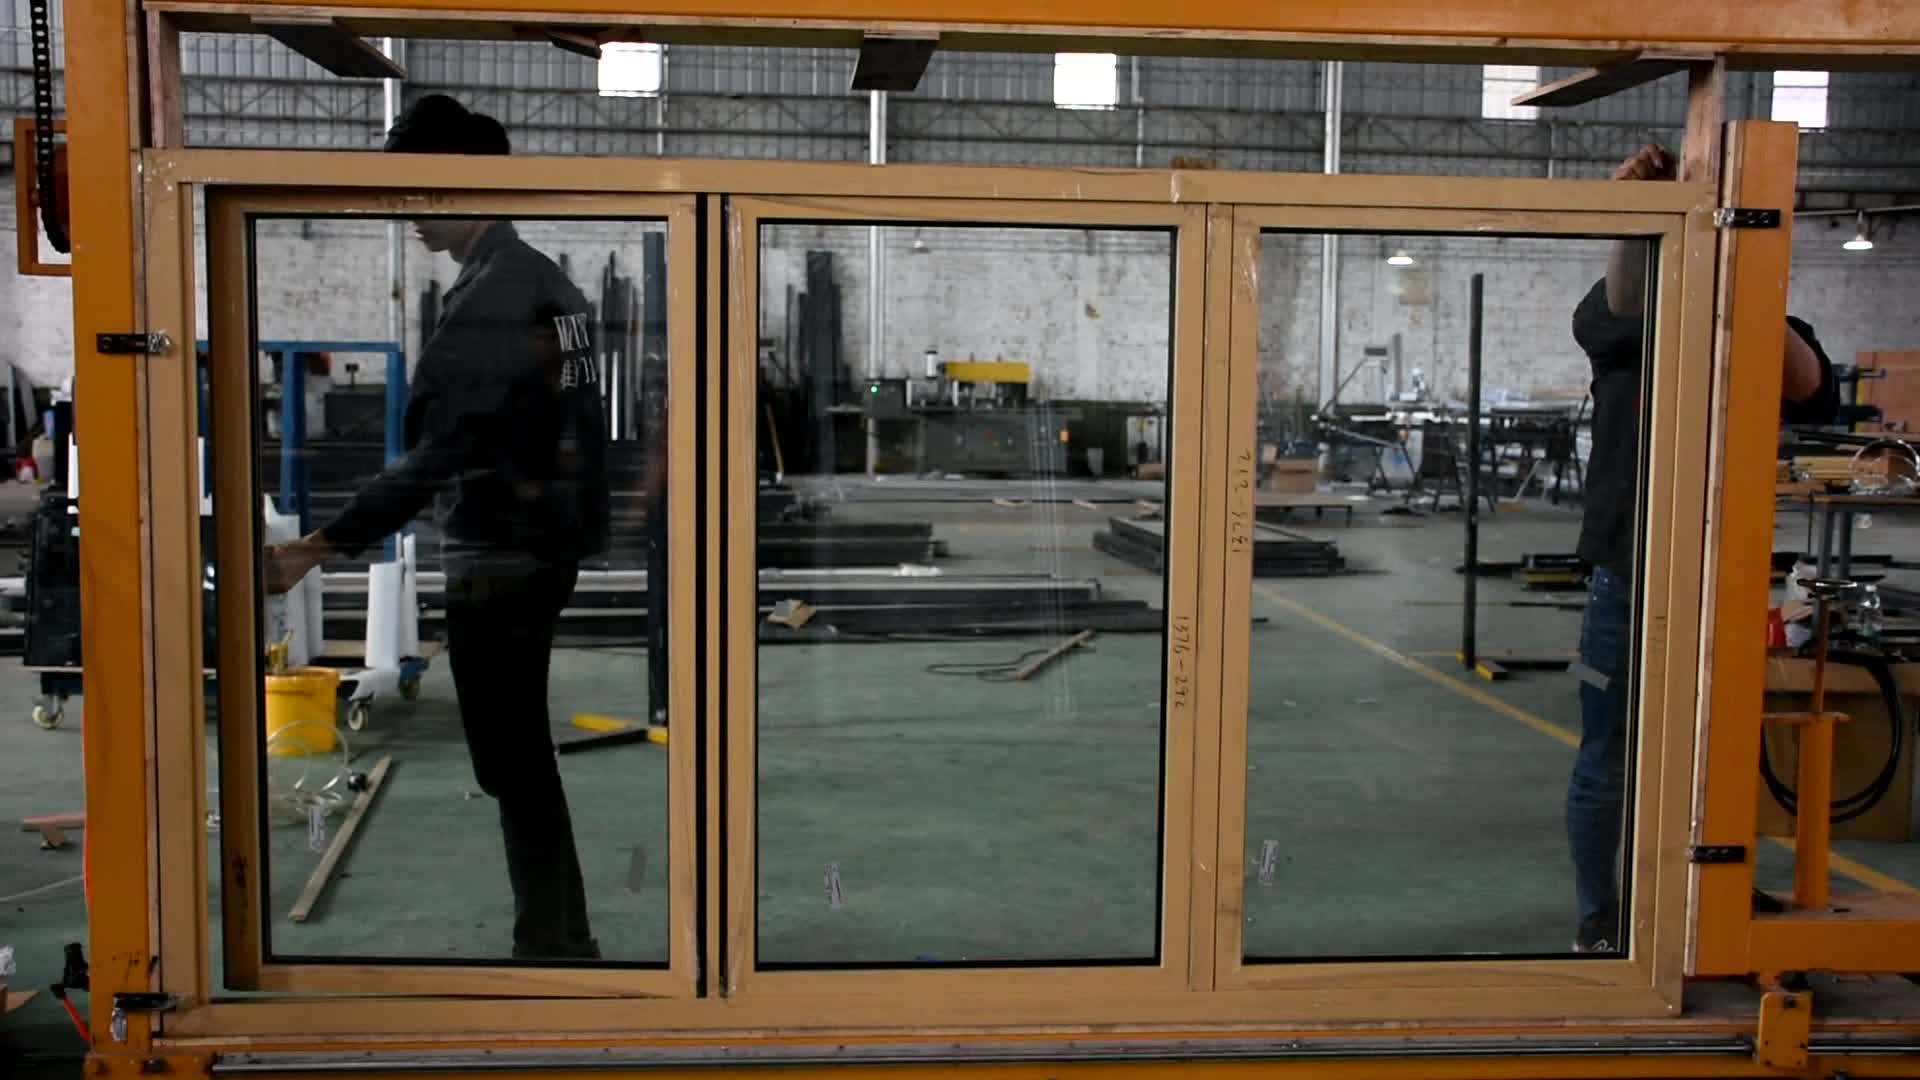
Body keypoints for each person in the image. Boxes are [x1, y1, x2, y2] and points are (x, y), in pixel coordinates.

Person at [264, 94, 610, 961]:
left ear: (472, 180)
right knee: (518, 756)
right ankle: (559, 936)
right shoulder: (550, 284)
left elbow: (441, 452)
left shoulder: (498, 294)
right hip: (540, 544)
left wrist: (314, 549)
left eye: (421, 189)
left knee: (510, 759)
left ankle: (555, 949)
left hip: (503, 550)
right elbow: (577, 422)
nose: (408, 210)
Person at [1567, 143, 1838, 953]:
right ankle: (1601, 915)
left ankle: (1709, 892)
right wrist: (1640, 214)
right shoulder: (1623, 318)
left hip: (1722, 567)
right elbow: (1622, 298)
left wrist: (1748, 267)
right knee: (1609, 752)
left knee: (1716, 747)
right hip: (1629, 564)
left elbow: (1807, 386)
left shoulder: (1759, 319)